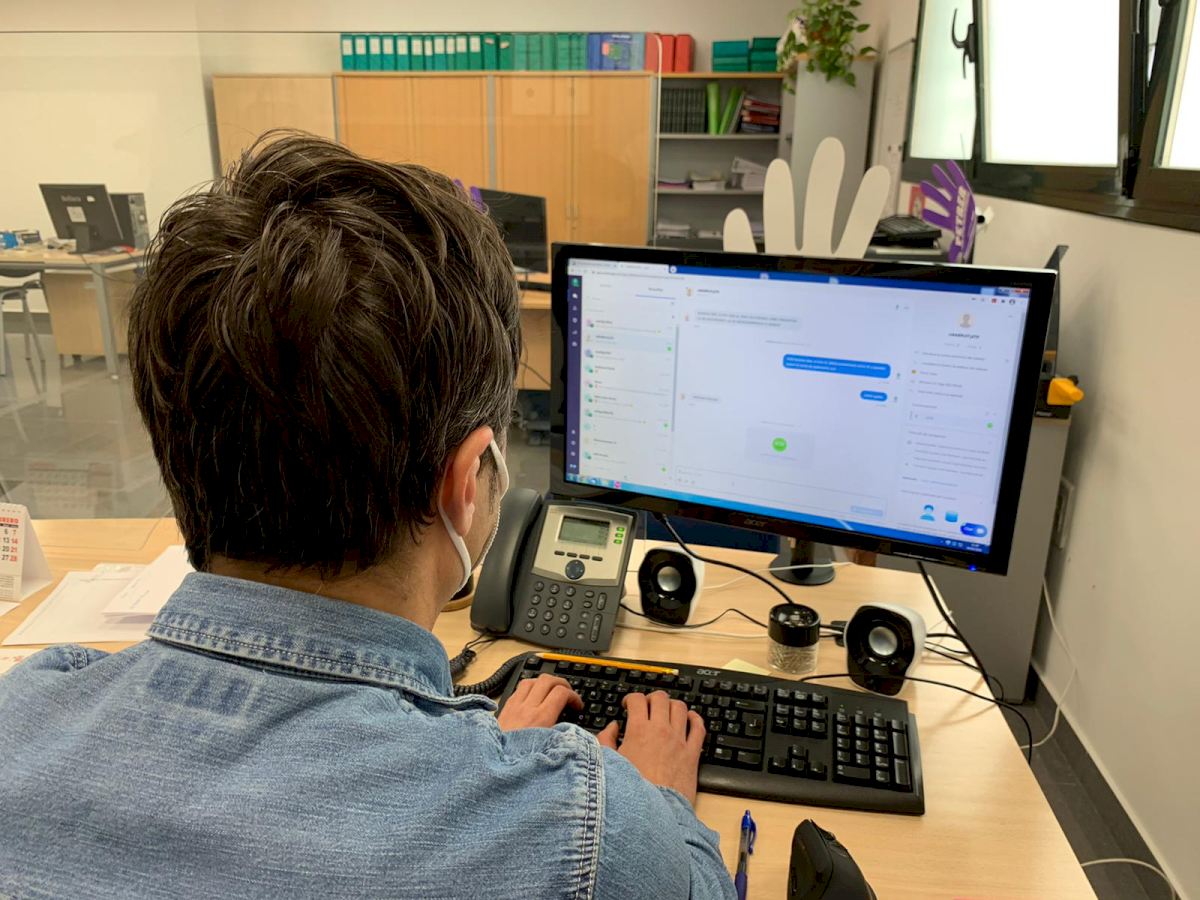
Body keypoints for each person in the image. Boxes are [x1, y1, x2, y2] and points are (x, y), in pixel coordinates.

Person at [0, 134, 734, 899]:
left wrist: (475, 760)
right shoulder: (588, 835)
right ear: (465, 483)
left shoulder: (20, 716)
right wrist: (654, 801)